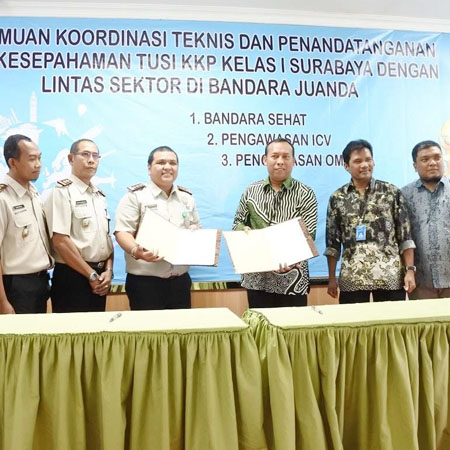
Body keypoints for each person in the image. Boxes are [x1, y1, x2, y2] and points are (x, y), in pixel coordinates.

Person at [325, 139, 416, 303]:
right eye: (357, 161)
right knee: (354, 320)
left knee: (391, 320)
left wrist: (410, 271)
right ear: (346, 166)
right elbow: (332, 243)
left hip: (389, 276)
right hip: (353, 277)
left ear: (373, 161)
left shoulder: (391, 192)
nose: (364, 165)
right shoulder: (337, 198)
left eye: (368, 159)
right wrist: (331, 278)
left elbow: (405, 236)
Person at [232, 138, 318, 308]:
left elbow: (308, 235)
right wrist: (244, 231)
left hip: (293, 280)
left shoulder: (305, 193)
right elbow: (237, 224)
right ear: (265, 159)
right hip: (257, 279)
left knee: (294, 325)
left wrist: (289, 259)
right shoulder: (251, 191)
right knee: (261, 323)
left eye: (286, 157)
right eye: (275, 156)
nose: (280, 161)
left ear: (294, 160)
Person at [114, 146, 200, 310]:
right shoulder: (135, 196)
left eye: (172, 163)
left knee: (181, 327)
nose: (167, 167)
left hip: (180, 282)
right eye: (161, 162)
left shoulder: (186, 198)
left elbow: (195, 227)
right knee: (148, 327)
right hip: (146, 284)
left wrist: (196, 233)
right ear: (149, 168)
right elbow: (122, 232)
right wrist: (137, 251)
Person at [44, 139, 113, 312]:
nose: (91, 160)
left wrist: (108, 271)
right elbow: (60, 241)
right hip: (73, 277)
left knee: (96, 329)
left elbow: (105, 240)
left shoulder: (99, 195)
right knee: (72, 329)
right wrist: (90, 274)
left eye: (95, 156)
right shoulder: (62, 192)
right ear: (71, 158)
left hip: (100, 277)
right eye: (85, 154)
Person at [0, 134, 53, 314]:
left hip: (40, 282)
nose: (38, 164)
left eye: (39, 158)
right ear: (13, 162)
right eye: (31, 159)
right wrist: (2, 301)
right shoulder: (3, 198)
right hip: (15, 287)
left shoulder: (33, 192)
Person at [401, 140, 450, 299]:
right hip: (421, 281)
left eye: (437, 157)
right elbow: (403, 237)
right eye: (425, 159)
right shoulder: (404, 195)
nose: (432, 163)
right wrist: (409, 271)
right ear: (415, 166)